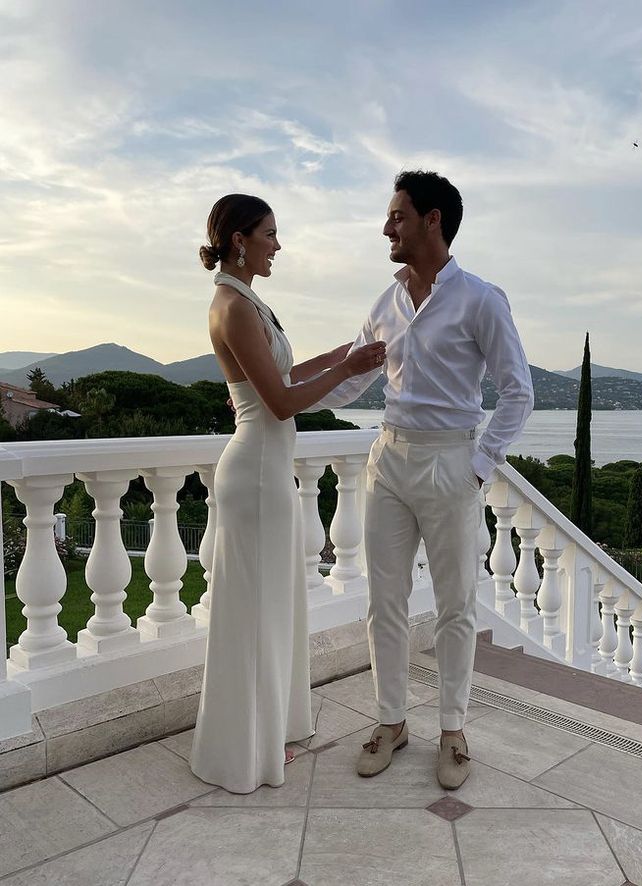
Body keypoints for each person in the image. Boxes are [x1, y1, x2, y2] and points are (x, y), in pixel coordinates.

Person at [308, 171, 534, 789]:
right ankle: (390, 722)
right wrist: (281, 398)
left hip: (450, 462)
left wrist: (479, 465)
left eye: (397, 217)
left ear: (432, 220)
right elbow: (355, 377)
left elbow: (518, 392)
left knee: (456, 604)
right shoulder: (387, 300)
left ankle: (453, 730)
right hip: (389, 460)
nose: (387, 228)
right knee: (385, 600)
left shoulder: (482, 299)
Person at [189, 194, 386, 794]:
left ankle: (260, 734)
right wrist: (349, 373)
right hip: (254, 472)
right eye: (270, 233)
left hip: (266, 470)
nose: (278, 244)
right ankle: (241, 752)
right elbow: (280, 400)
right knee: (253, 613)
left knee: (268, 608)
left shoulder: (248, 301)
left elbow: (292, 375)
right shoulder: (233, 304)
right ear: (239, 239)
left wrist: (352, 353)